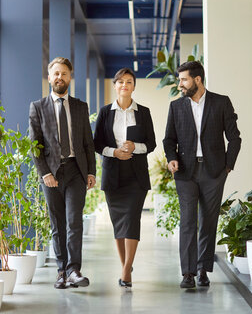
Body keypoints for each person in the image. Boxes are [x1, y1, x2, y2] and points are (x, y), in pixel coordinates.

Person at [163, 61, 241, 289]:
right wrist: (171, 158)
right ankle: (187, 272)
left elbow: (234, 137)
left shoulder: (221, 102)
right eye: (179, 80)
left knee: (208, 221)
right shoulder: (176, 107)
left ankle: (202, 269)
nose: (180, 84)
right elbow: (169, 140)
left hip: (214, 171)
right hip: (185, 172)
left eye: (184, 79)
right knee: (188, 221)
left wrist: (228, 166)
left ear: (197, 80)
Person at [29, 57, 96, 289]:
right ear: (50, 78)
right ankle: (61, 271)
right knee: (57, 223)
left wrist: (92, 172)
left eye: (64, 73)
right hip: (52, 175)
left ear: (70, 77)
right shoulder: (38, 107)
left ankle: (74, 270)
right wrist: (44, 172)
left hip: (76, 171)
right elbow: (35, 145)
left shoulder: (80, 107)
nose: (60, 77)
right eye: (56, 73)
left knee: (74, 221)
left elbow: (88, 143)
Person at [93, 68, 156, 288]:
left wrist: (134, 147)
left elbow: (151, 143)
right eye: (120, 82)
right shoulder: (105, 112)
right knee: (118, 224)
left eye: (129, 82)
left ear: (133, 86)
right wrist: (114, 152)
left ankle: (126, 272)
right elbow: (97, 143)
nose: (124, 85)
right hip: (113, 175)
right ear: (115, 85)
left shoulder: (144, 112)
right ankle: (125, 267)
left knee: (131, 221)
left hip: (136, 176)